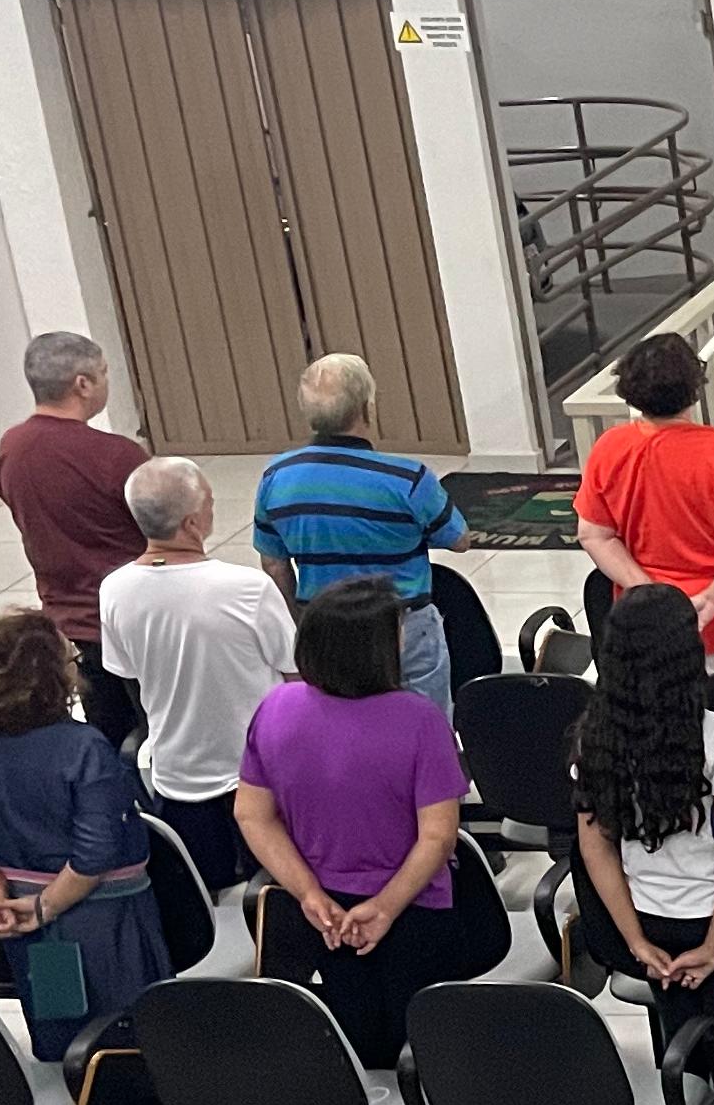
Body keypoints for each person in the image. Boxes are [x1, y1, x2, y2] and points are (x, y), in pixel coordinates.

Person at [235, 577, 483, 1065]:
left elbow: (252, 815)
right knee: (426, 1045)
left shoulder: (277, 707)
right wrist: (385, 908)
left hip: (324, 909)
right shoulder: (419, 720)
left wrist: (308, 893)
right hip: (413, 905)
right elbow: (438, 836)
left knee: (356, 1035)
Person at [0, 608, 170, 1062]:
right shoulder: (83, 748)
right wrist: (46, 906)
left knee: (59, 1019)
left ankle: (69, 1088)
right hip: (101, 917)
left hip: (20, 913)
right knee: (128, 1032)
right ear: (51, 680)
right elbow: (96, 851)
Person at [571, 580, 714, 1105]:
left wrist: (636, 941)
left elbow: (596, 852)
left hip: (651, 920)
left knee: (681, 1052)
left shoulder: (595, 739)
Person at [98, 455, 295, 889]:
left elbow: (126, 672)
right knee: (278, 894)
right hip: (261, 776)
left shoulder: (113, 590)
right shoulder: (247, 588)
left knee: (208, 893)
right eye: (209, 500)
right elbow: (296, 676)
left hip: (178, 776)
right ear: (191, 524)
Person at [252, 352, 468, 711]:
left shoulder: (276, 477)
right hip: (402, 627)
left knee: (342, 720)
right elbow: (459, 540)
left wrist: (301, 620)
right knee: (425, 722)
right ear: (367, 409)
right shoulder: (408, 479)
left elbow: (274, 564)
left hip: (326, 625)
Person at [574, 329, 714, 672]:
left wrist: (651, 594)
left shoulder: (609, 448)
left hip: (648, 627)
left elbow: (593, 534)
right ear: (694, 388)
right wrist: (711, 600)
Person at [0, 330, 153, 750]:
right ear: (83, 384)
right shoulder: (118, 456)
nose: (107, 381)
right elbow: (162, 527)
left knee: (108, 733)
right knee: (159, 734)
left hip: (70, 626)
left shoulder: (12, 447)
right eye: (104, 373)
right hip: (135, 623)